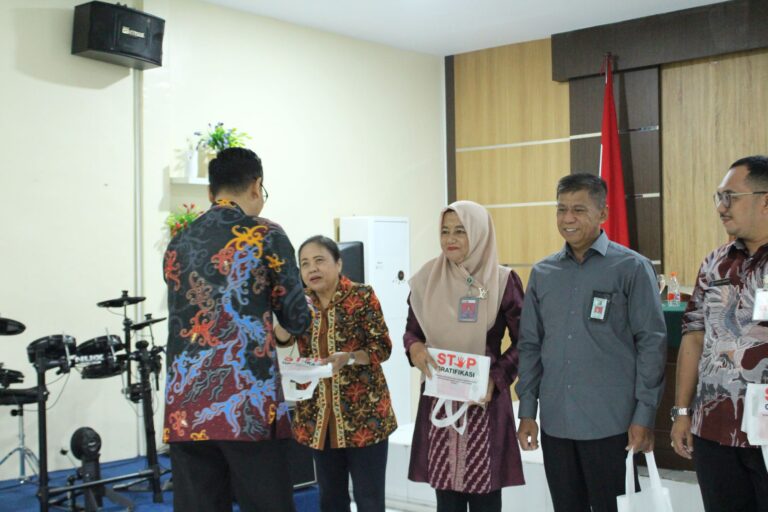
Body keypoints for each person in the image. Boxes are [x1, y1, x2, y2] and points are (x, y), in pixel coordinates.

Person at [162, 147, 311, 512]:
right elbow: (297, 318)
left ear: (210, 192)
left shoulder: (179, 242)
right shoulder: (265, 235)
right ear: (256, 186)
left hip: (185, 406)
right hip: (247, 406)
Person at [516, 173, 666, 512]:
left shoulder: (632, 268)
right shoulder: (543, 273)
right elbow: (530, 346)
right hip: (556, 424)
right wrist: (527, 411)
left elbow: (651, 345)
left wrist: (644, 415)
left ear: (603, 213)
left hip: (611, 425)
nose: (568, 218)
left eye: (579, 210)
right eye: (561, 209)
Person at [404, 200, 525, 512]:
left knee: (485, 496)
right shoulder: (426, 278)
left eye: (460, 231)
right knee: (447, 498)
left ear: (479, 233)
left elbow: (526, 342)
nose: (450, 239)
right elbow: (412, 332)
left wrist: (496, 378)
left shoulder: (501, 281)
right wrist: (415, 348)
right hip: (440, 399)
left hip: (484, 402)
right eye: (445, 231)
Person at [670, 155, 768, 512]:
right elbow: (693, 336)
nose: (721, 207)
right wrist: (682, 411)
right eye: (719, 197)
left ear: (765, 200)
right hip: (714, 429)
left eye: (731, 197)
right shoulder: (715, 263)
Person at [275, 235, 397, 512]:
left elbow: (382, 348)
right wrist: (286, 316)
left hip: (365, 416)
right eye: (305, 263)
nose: (312, 269)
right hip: (319, 416)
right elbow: (283, 340)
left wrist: (350, 358)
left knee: (369, 500)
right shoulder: (301, 302)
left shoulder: (362, 296)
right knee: (330, 499)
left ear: (338, 263)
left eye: (319, 260)